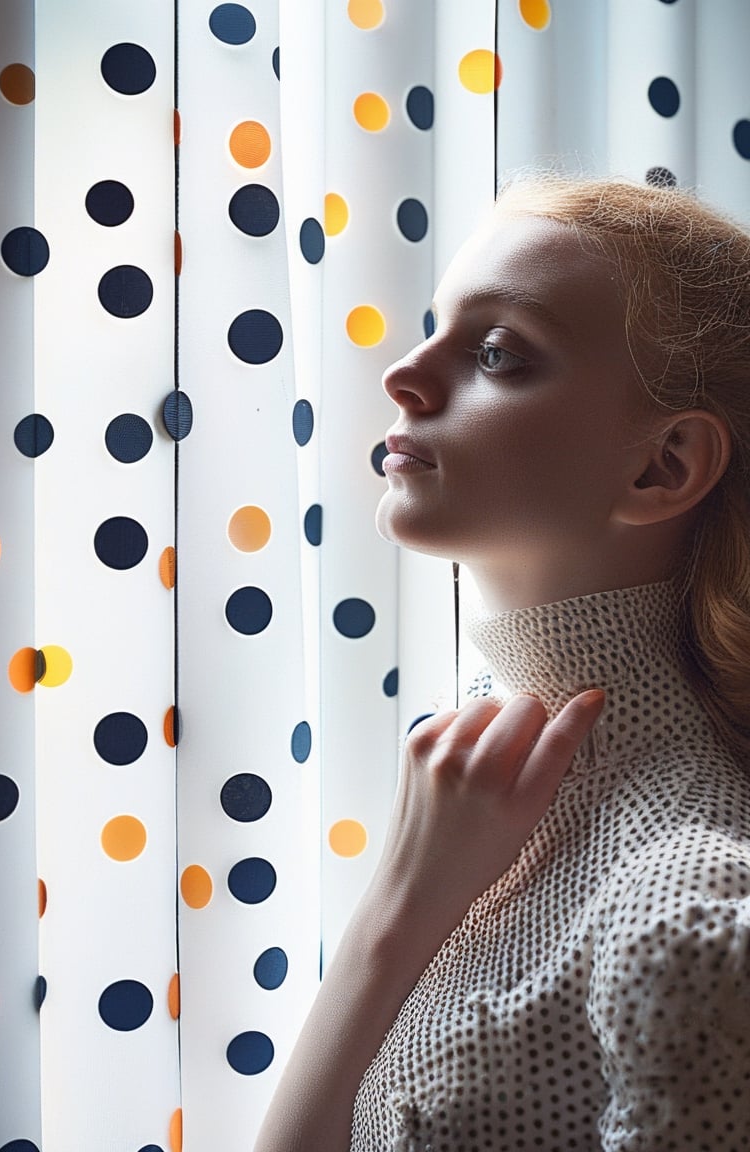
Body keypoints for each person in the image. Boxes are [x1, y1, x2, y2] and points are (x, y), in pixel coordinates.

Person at [254, 175, 750, 1151]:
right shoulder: (466, 771)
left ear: (665, 466)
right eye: (433, 326)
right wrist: (394, 916)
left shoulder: (690, 912)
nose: (405, 373)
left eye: (494, 354)